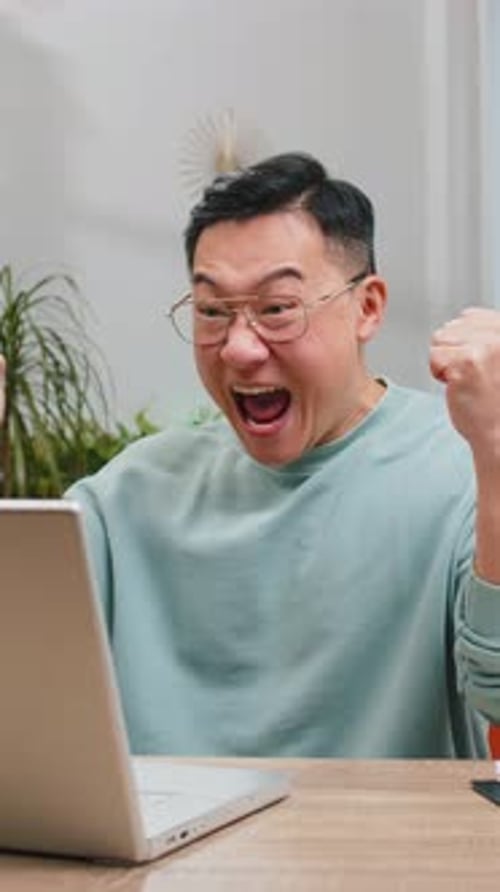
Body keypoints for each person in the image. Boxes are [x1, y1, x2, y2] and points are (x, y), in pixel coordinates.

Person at [2, 152, 500, 757]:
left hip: (378, 821)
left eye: (277, 309)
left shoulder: (463, 471)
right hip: (171, 823)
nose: (239, 349)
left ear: (367, 307)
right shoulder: (130, 494)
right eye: (212, 312)